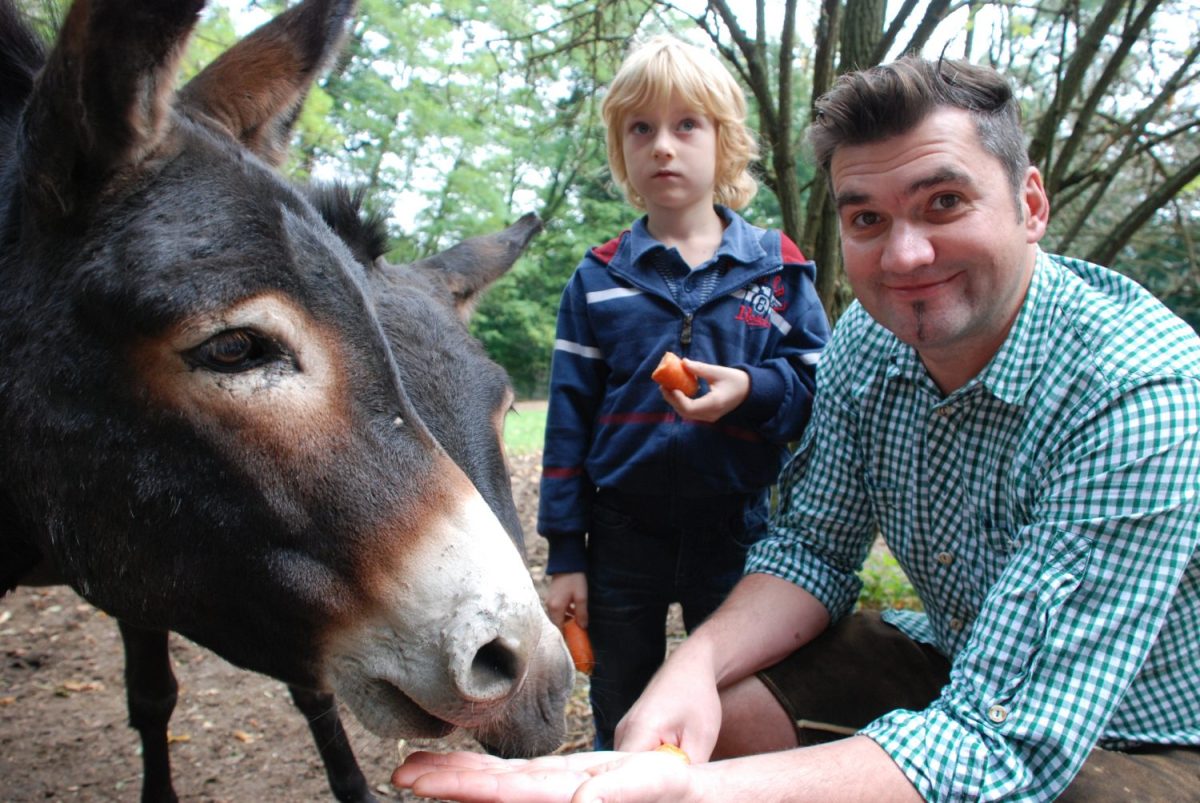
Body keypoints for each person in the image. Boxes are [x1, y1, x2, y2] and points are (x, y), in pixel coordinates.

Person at [393, 56, 1200, 802]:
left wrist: (696, 791)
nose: (906, 254)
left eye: (944, 202)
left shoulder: (1137, 386)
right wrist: (694, 665)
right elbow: (814, 546)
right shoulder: (866, 341)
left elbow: (1009, 738)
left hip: (1146, 729)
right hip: (956, 659)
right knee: (722, 714)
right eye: (868, 219)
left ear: (1029, 204)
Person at [532, 34, 830, 751]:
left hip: (734, 530)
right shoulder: (598, 277)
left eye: (686, 125)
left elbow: (817, 394)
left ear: (724, 142)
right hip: (621, 532)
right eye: (642, 128)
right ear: (622, 149)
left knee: (729, 701)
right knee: (621, 700)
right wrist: (566, 551)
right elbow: (568, 421)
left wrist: (753, 390)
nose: (663, 145)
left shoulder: (779, 270)